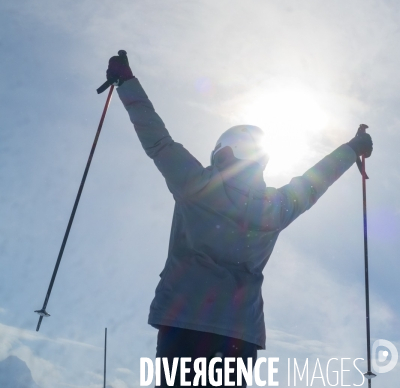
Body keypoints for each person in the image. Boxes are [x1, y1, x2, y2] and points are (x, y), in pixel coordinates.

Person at [106, 53, 373, 387]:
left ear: (223, 153)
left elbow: (157, 139)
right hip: (239, 334)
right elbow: (315, 180)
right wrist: (352, 148)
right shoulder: (276, 207)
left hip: (184, 322)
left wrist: (126, 82)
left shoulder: (196, 184)